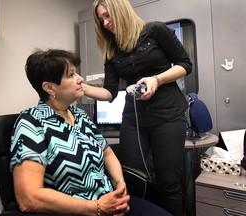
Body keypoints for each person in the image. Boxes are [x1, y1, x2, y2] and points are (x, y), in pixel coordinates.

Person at [9, 49, 172, 216]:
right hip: (80, 211)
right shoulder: (31, 122)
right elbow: (28, 198)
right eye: (71, 75)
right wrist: (97, 207)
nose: (80, 79)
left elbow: (107, 153)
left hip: (111, 202)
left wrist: (120, 185)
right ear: (50, 87)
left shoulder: (79, 115)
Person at [81, 0, 193, 216]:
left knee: (168, 182)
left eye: (107, 16)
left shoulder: (155, 30)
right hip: (135, 119)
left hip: (168, 116)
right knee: (131, 180)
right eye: (101, 19)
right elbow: (109, 93)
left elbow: (185, 64)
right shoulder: (112, 51)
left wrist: (157, 80)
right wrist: (81, 87)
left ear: (120, 10)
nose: (105, 23)